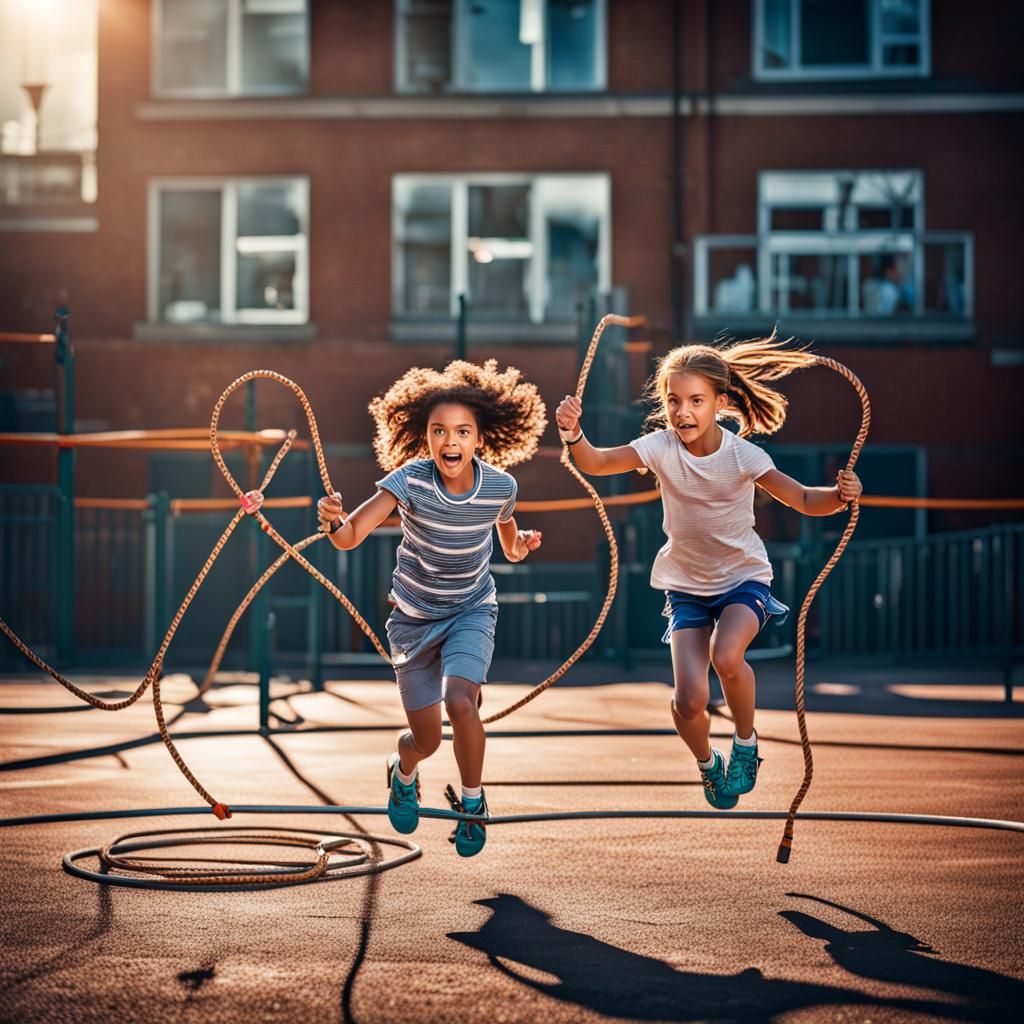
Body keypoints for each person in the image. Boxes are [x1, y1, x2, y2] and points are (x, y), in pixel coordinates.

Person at [554, 334, 861, 809]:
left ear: (720, 402)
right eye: (673, 401)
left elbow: (802, 498)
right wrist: (575, 433)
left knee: (728, 655)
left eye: (696, 401)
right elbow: (596, 462)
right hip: (686, 588)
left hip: (744, 580)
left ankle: (745, 743)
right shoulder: (659, 447)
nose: (683, 412)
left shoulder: (744, 456)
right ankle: (708, 765)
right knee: (688, 703)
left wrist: (839, 496)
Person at [317, 359, 545, 856]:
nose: (451, 441)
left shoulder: (501, 488)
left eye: (463, 431)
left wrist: (522, 544)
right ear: (425, 438)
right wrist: (333, 521)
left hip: (471, 610)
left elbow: (507, 546)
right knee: (426, 740)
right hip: (413, 620)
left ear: (480, 439)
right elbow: (350, 536)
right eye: (439, 431)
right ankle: (403, 773)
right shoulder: (410, 481)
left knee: (462, 704)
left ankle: (472, 803)